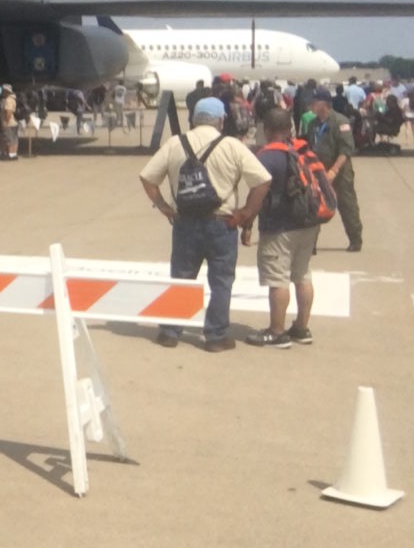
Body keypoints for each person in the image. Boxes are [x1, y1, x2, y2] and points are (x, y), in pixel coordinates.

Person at [138, 96, 271, 351]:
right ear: (221, 120)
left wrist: (165, 207)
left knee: (181, 277)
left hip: (185, 223)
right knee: (221, 281)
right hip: (223, 223)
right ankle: (216, 336)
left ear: (194, 119)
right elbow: (262, 181)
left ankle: (170, 331)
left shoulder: (175, 143)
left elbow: (148, 178)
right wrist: (245, 214)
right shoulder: (232, 145)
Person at [241, 108, 317, 347]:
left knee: (278, 279)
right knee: (302, 275)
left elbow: (258, 193)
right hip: (308, 224)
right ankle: (302, 328)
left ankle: (276, 331)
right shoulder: (302, 151)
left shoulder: (265, 157)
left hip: (278, 227)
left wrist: (247, 222)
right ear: (289, 129)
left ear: (266, 130)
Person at [308, 88, 361, 252]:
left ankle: (355, 239)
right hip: (318, 172)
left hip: (339, 173)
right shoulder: (313, 124)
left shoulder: (340, 122)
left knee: (347, 205)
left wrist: (334, 171)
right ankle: (311, 243)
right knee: (314, 207)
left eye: (315, 103)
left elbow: (346, 150)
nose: (312, 106)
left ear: (323, 104)